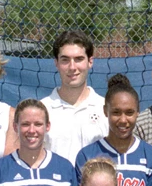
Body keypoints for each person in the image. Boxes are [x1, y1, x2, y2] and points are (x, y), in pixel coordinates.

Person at [40, 30, 108, 163]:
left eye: (79, 59)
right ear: (56, 63)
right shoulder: (42, 110)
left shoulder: (106, 109)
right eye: (65, 60)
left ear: (90, 62)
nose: (72, 67)